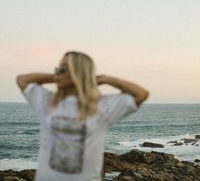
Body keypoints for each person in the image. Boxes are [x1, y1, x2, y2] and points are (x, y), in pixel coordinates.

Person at [16, 51, 149, 181]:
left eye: (63, 69)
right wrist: (58, 76)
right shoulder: (47, 101)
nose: (57, 72)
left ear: (79, 72)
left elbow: (141, 94)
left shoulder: (101, 106)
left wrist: (105, 79)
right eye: (58, 68)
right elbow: (22, 80)